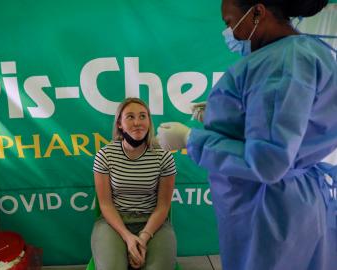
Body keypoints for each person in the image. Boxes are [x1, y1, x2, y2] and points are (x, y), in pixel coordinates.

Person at [156, 0, 337, 269]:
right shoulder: (307, 52)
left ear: (257, 12)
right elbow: (287, 123)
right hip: (292, 203)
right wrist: (224, 111)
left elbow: (268, 160)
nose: (229, 33)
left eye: (230, 23)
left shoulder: (281, 63)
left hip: (270, 211)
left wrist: (189, 139)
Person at [91, 97, 177, 270]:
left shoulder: (164, 156)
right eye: (130, 117)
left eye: (143, 116)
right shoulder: (105, 155)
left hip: (153, 223)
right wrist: (128, 238)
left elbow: (163, 206)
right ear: (119, 124)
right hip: (114, 223)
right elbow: (105, 205)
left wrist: (143, 238)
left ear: (149, 122)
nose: (137, 122)